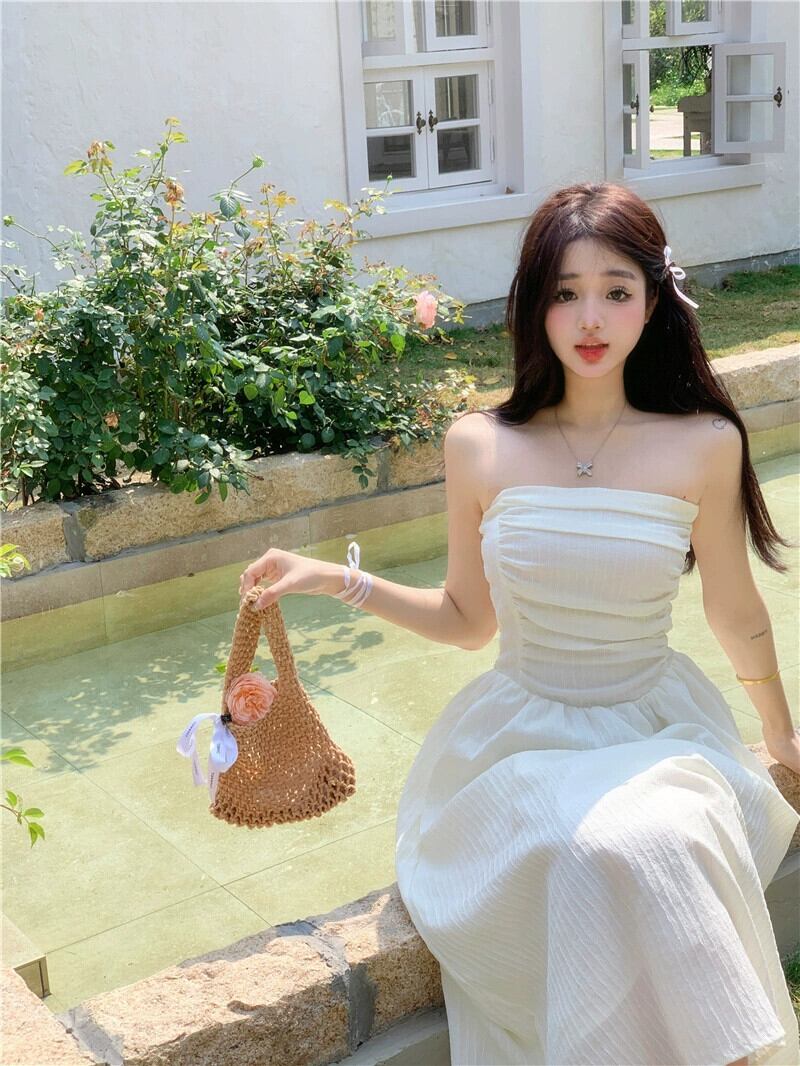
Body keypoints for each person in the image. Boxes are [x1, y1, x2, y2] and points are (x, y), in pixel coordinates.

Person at [239, 181, 800, 1065]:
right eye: (565, 292)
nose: (590, 318)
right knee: (600, 850)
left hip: (653, 730)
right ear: (533, 305)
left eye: (616, 290)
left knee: (649, 837)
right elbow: (467, 621)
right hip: (520, 740)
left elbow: (735, 612)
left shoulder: (702, 443)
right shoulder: (479, 444)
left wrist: (780, 732)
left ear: (655, 301)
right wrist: (335, 579)